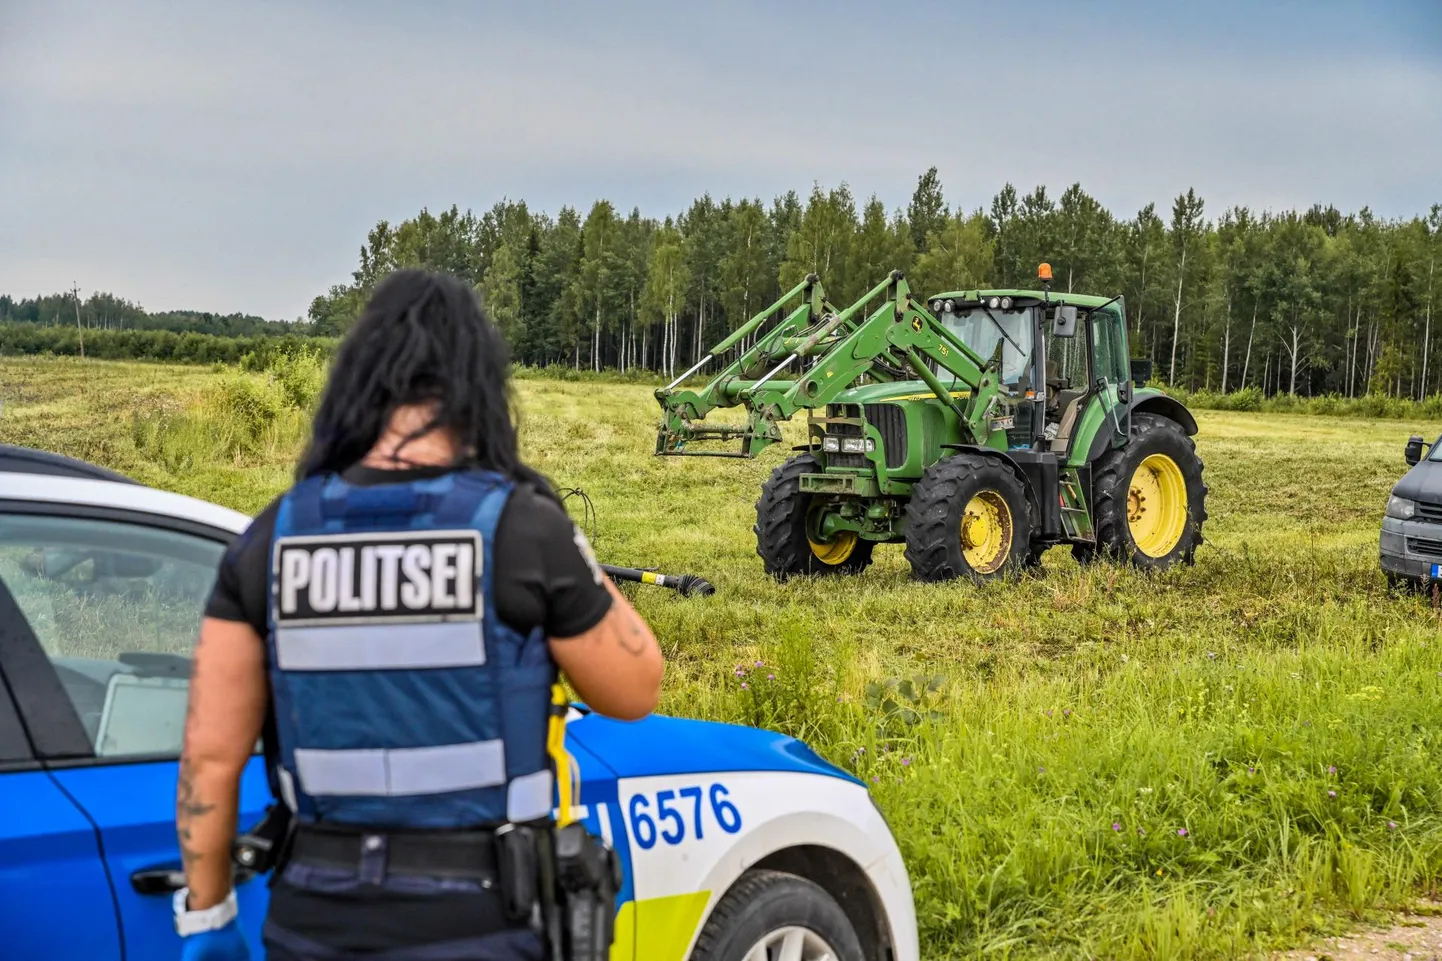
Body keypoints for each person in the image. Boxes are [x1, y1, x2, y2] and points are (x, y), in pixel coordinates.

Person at [172, 268, 665, 961]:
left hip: (316, 924)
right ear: (479, 388)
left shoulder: (273, 538)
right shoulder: (519, 527)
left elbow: (210, 758)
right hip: (482, 927)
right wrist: (557, 533)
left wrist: (209, 916)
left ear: (358, 386)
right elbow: (634, 685)